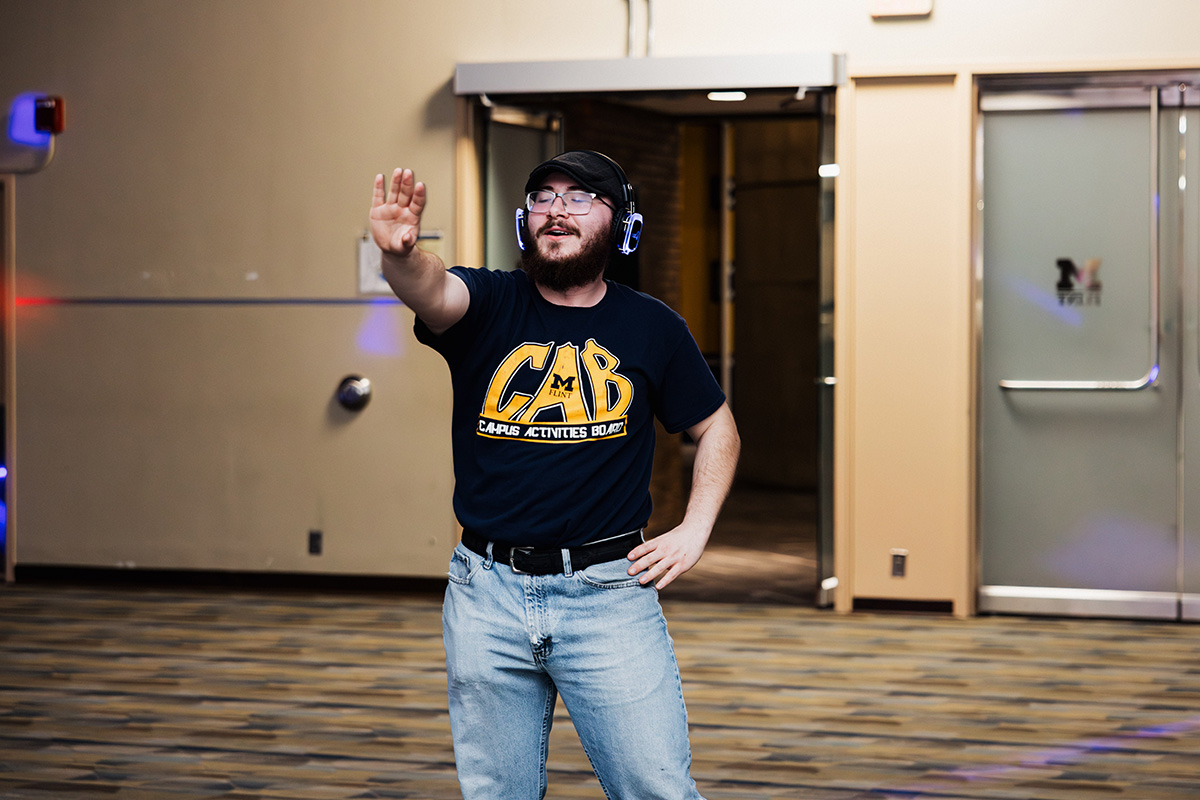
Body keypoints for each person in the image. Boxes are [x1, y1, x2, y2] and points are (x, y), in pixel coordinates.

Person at [369, 150, 740, 799]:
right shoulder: (488, 303)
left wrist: (695, 529)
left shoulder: (652, 327)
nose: (557, 210)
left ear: (621, 226)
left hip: (608, 594)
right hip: (485, 593)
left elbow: (718, 428)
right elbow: (434, 288)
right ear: (525, 221)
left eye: (578, 197)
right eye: (543, 197)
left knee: (656, 789)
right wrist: (402, 256)